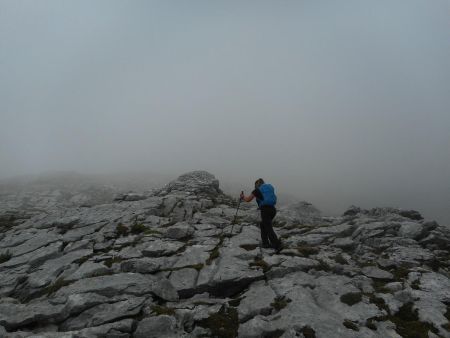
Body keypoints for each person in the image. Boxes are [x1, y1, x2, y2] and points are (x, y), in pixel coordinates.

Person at [240, 178, 282, 252]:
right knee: (263, 225)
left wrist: (242, 197)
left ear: (257, 184)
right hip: (272, 210)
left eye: (255, 185)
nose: (255, 186)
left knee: (268, 228)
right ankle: (265, 243)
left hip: (265, 210)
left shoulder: (256, 190)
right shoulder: (269, 188)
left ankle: (277, 245)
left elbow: (248, 200)